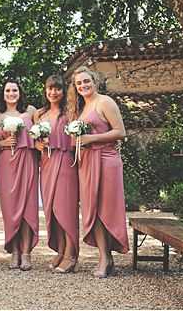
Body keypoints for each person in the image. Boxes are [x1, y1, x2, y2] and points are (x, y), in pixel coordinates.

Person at [67, 66, 128, 278]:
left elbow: (120, 132)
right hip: (87, 162)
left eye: (86, 81)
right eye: (79, 83)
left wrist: (91, 139)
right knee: (92, 209)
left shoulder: (105, 102)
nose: (83, 86)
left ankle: (106, 257)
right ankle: (105, 256)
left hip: (106, 160)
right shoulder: (83, 108)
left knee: (106, 209)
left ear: (95, 82)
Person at [34, 75, 79, 273]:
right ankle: (60, 250)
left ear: (63, 91)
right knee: (51, 208)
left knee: (65, 208)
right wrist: (39, 144)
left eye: (57, 89)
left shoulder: (70, 113)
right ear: (45, 91)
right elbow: (35, 142)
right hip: (47, 163)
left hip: (65, 161)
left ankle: (71, 254)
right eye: (50, 89)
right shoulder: (39, 114)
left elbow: (77, 139)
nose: (53, 92)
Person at [0, 79, 38, 271]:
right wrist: (2, 144)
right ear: (3, 94)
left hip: (27, 159)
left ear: (20, 92)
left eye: (14, 90)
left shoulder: (30, 112)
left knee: (27, 206)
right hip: (5, 163)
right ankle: (14, 251)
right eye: (7, 90)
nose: (11, 93)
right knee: (10, 208)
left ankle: (27, 252)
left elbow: (39, 135)